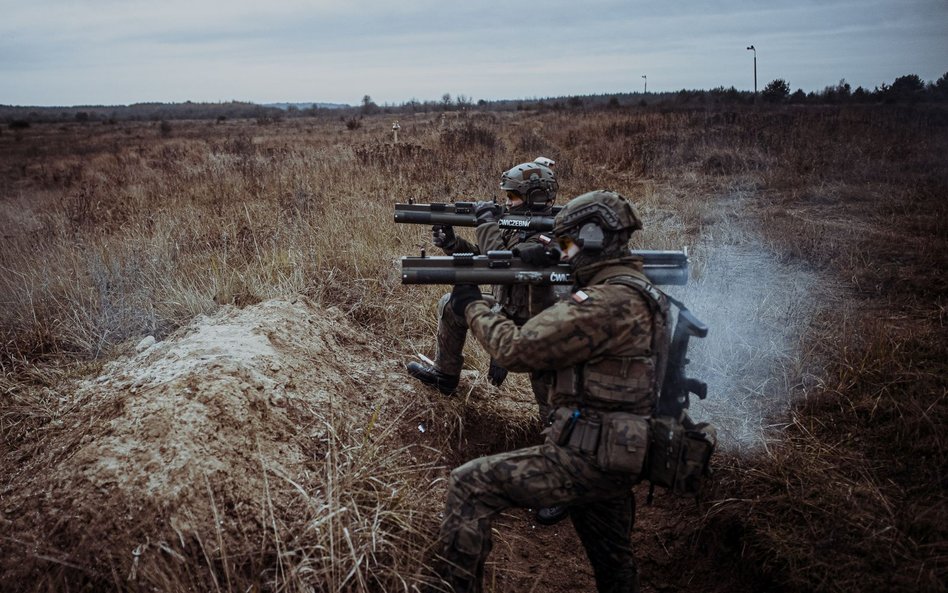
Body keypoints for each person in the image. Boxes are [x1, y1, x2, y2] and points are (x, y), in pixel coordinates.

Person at [432, 190, 670, 593]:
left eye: (572, 242)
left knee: (470, 486)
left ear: (594, 237)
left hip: (587, 456)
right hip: (623, 451)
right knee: (614, 563)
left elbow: (516, 349)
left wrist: (472, 304)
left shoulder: (604, 303)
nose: (567, 252)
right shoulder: (640, 290)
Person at [406, 159, 558, 414]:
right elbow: (484, 255)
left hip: (540, 328)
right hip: (507, 311)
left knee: (552, 411)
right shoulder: (517, 226)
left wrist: (485, 223)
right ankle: (445, 375)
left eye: (512, 196)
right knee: (451, 305)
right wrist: (452, 243)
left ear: (537, 197)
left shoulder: (549, 234)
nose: (507, 202)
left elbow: (501, 266)